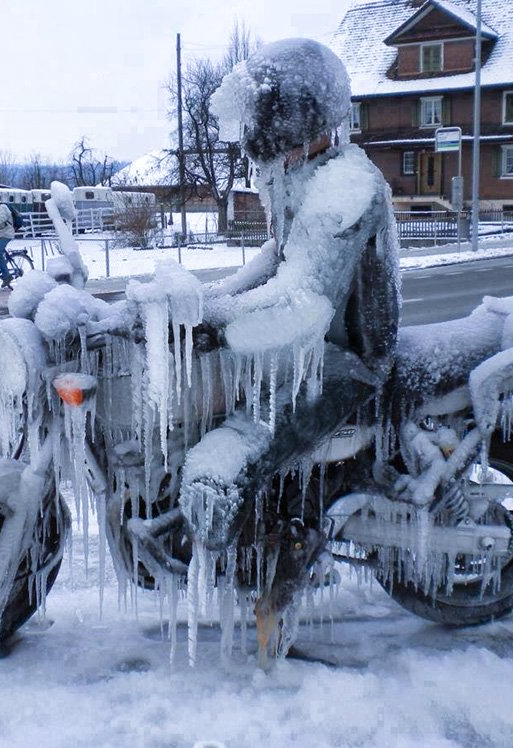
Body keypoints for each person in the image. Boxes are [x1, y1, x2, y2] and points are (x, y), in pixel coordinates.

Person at [175, 39, 402, 649]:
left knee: (232, 452)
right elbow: (275, 261)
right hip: (306, 352)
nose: (253, 130)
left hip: (347, 360)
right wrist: (206, 304)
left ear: (295, 114)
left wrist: (217, 325)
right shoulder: (299, 177)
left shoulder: (346, 185)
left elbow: (303, 300)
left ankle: (279, 570)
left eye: (262, 113)